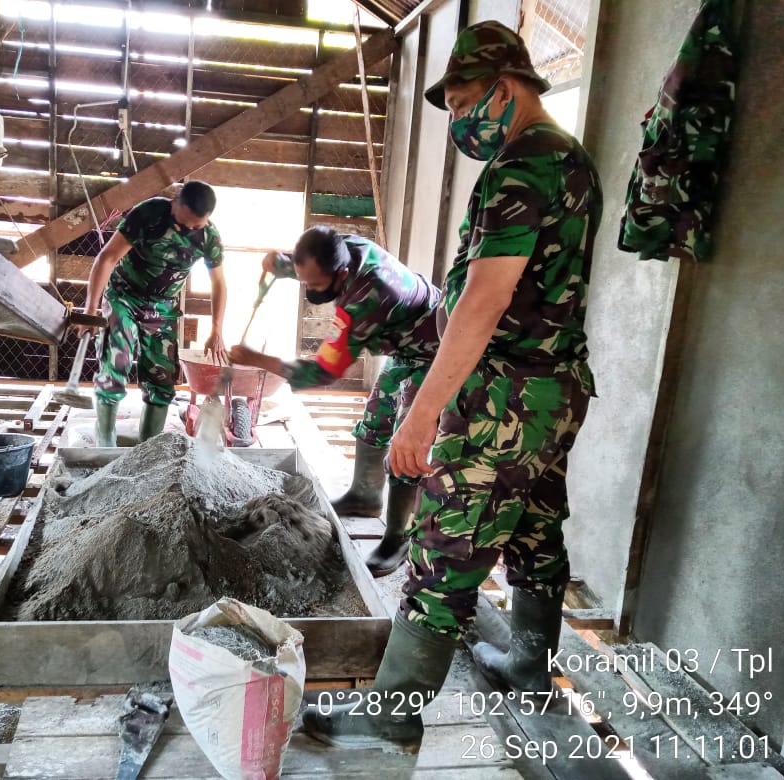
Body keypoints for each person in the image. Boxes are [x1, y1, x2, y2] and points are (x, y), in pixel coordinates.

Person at [301, 20, 603, 750]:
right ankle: (529, 666)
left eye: (466, 101)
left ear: (508, 85)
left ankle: (392, 713)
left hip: (501, 400)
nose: (462, 119)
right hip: (555, 389)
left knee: (444, 551)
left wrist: (421, 414)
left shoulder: (519, 168)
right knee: (534, 530)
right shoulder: (572, 160)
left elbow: (483, 299)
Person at [229, 226, 441, 577]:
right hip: (406, 343)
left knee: (406, 446)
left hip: (432, 351)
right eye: (303, 280)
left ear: (341, 275)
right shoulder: (344, 246)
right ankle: (365, 496)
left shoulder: (364, 302)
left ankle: (398, 537)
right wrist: (279, 264)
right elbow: (310, 260)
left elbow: (325, 373)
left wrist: (258, 359)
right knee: (374, 422)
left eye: (314, 285)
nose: (309, 289)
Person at [80, 181, 226, 446]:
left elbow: (218, 283)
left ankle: (148, 449)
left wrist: (217, 329)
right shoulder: (148, 214)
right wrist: (90, 308)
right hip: (124, 296)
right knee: (116, 362)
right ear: (176, 204)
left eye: (197, 225)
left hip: (161, 307)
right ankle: (106, 444)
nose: (190, 230)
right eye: (186, 223)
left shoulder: (209, 237)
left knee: (161, 379)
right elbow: (108, 257)